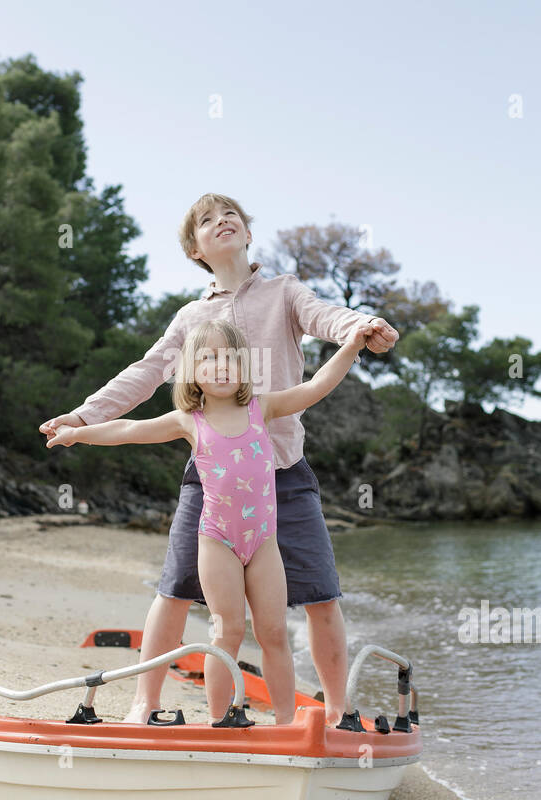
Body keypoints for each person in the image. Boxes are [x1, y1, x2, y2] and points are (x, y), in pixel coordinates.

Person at [38, 192, 399, 725]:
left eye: (230, 214)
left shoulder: (284, 292)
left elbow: (327, 319)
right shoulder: (190, 319)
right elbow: (144, 374)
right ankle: (145, 701)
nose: (221, 221)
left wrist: (361, 328)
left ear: (248, 233)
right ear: (195, 249)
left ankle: (339, 711)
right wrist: (84, 418)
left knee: (322, 596)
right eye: (206, 220)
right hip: (210, 483)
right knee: (175, 591)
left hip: (286, 476)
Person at [47, 316, 375, 723]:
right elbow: (129, 428)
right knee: (227, 633)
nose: (220, 366)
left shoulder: (264, 407)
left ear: (245, 367)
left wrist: (352, 345)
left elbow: (316, 386)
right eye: (208, 358)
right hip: (217, 541)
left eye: (229, 358)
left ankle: (288, 726)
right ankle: (222, 721)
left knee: (274, 635)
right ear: (193, 372)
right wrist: (77, 431)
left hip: (264, 544)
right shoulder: (189, 421)